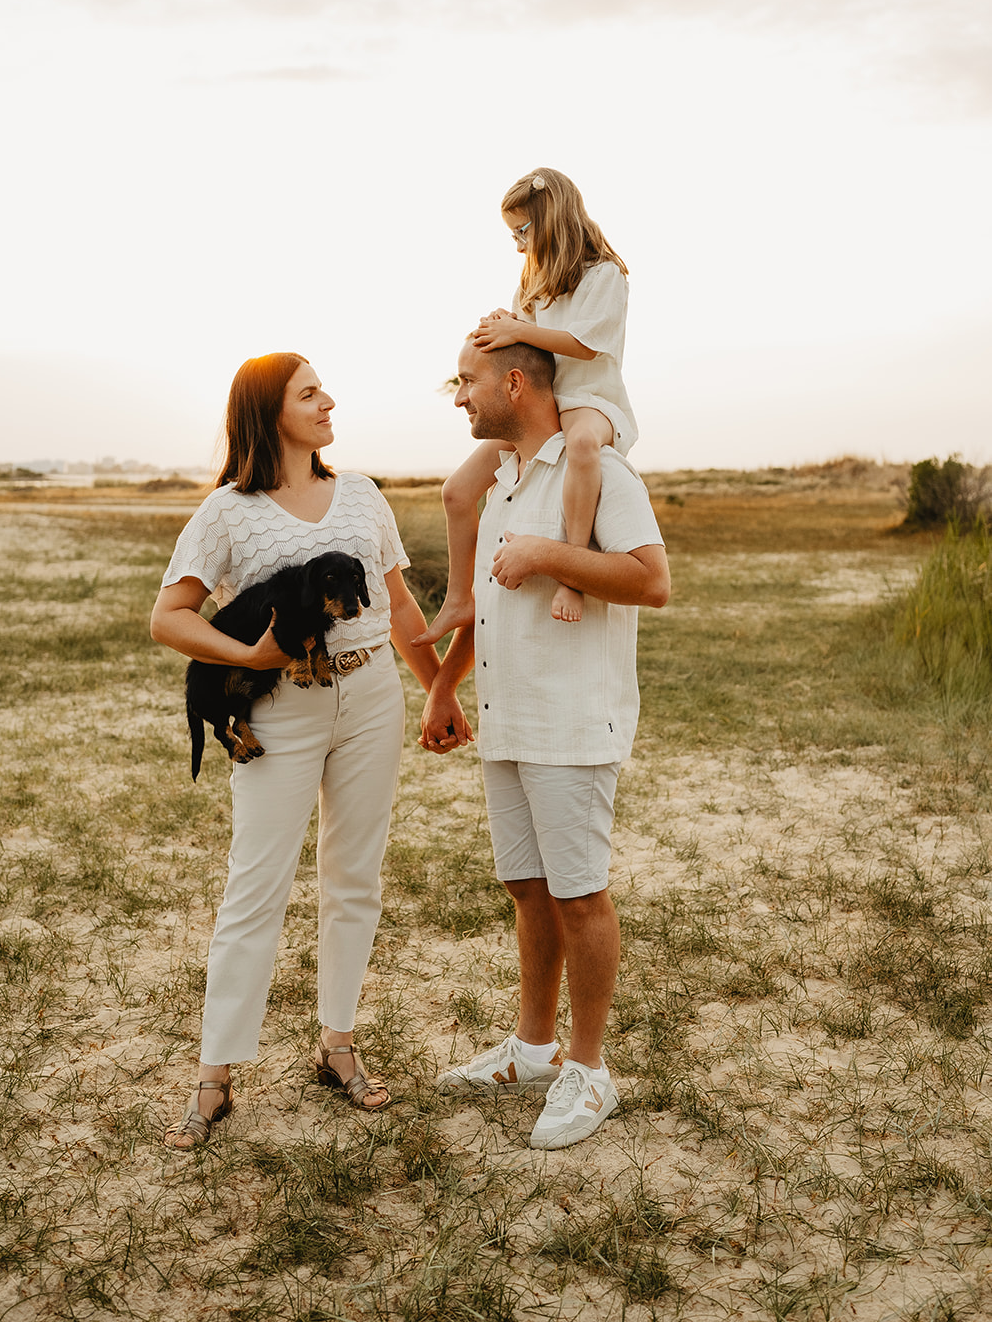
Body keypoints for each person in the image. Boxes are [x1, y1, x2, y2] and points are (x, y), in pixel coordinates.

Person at [151, 352, 471, 1149]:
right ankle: (214, 1076)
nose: (328, 401)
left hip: (369, 699)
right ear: (269, 413)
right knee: (254, 886)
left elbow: (398, 606)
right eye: (308, 393)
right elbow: (169, 618)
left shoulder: (360, 495)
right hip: (281, 711)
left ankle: (337, 1044)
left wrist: (436, 690)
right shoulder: (226, 513)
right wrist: (253, 658)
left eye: (322, 389)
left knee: (352, 877)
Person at [418, 337, 669, 1149]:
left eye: (469, 380)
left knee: (578, 895)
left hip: (571, 720)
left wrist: (548, 554)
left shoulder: (600, 471)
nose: (459, 396)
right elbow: (489, 606)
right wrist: (444, 686)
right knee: (527, 888)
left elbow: (650, 580)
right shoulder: (500, 480)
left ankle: (590, 1074)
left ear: (515, 381)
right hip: (510, 718)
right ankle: (531, 1050)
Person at [418, 167, 636, 639]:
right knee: (456, 490)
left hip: (588, 399)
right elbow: (526, 345)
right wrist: (502, 321)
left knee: (581, 447)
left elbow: (584, 343)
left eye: (522, 230)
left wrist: (517, 328)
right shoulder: (534, 281)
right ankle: (459, 599)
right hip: (546, 400)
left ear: (551, 218)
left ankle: (571, 574)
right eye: (511, 234)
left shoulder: (604, 275)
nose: (517, 244)